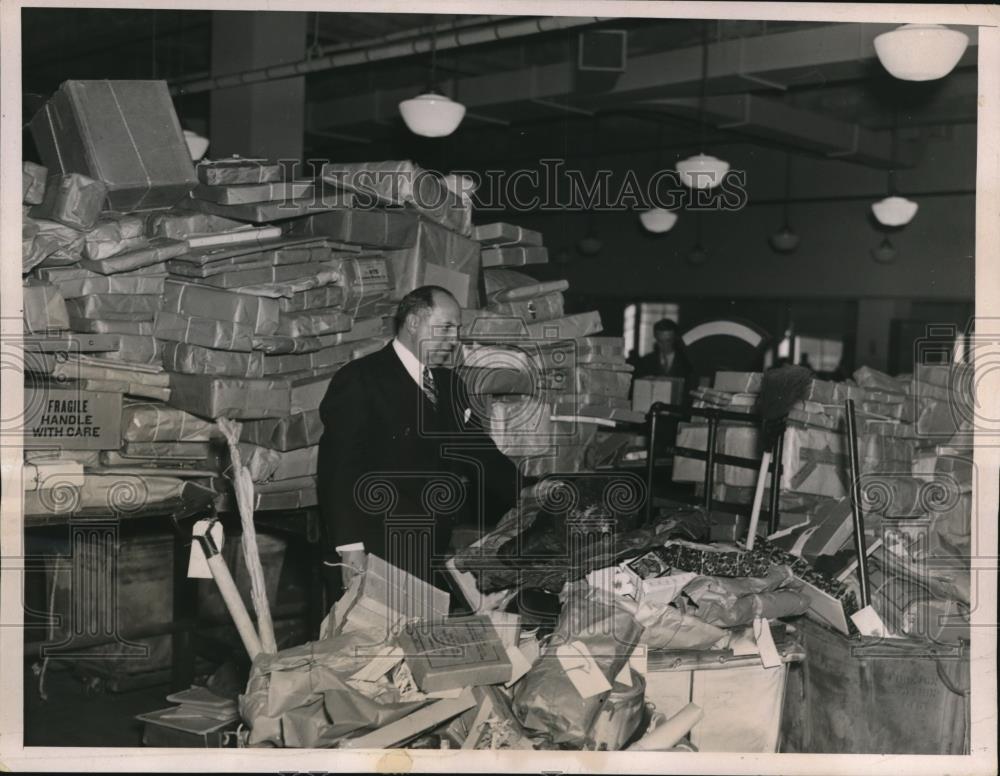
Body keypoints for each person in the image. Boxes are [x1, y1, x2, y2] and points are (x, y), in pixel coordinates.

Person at [316, 285, 518, 595]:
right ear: (413, 322)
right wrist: (350, 547)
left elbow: (481, 453)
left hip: (431, 545)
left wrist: (531, 491)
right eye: (446, 327)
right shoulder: (361, 378)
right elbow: (338, 468)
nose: (454, 340)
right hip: (377, 545)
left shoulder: (450, 385)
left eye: (458, 330)